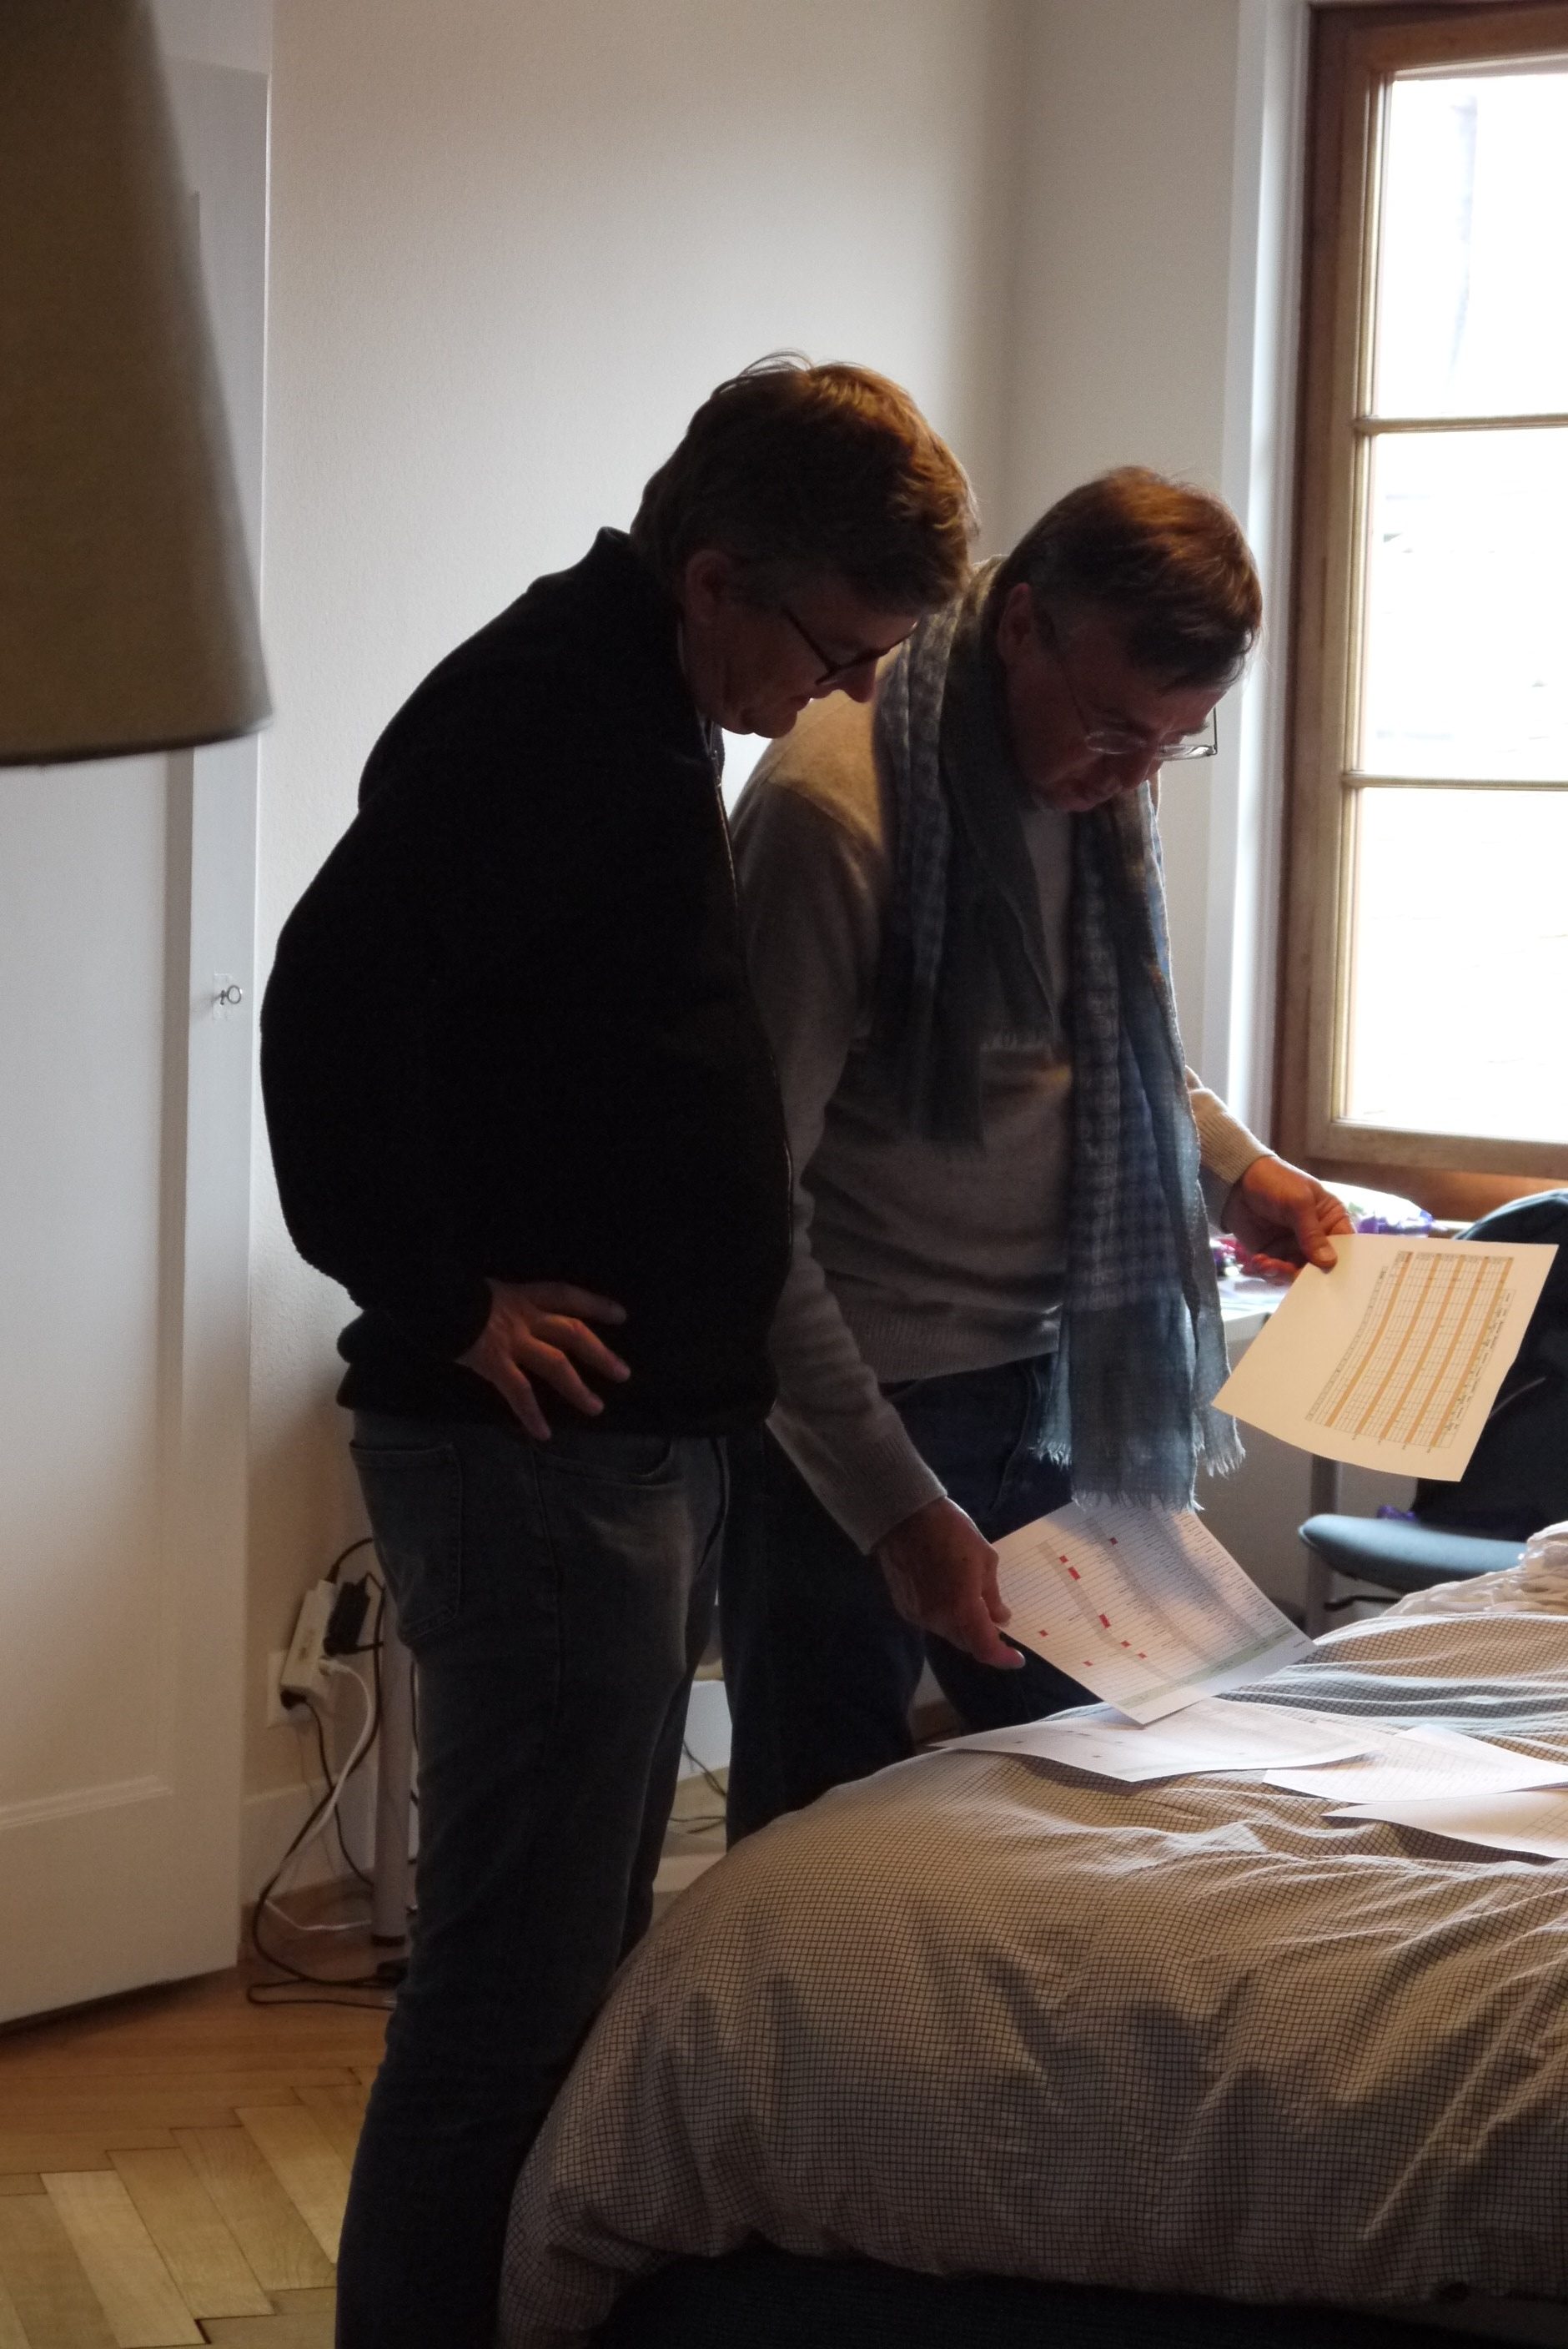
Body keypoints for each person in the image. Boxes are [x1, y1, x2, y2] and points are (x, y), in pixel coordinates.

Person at [259, 356, 975, 2349]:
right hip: (537, 1465)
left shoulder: (635, 704)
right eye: (834, 652)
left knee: (567, 1975)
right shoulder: (543, 718)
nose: (839, 697)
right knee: (507, 2002)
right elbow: (321, 1008)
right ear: (717, 576)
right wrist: (440, 1296)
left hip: (623, 1458)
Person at [721, 465, 1352, 1843]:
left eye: (1175, 744)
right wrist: (895, 1504)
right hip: (860, 1409)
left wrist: (1244, 1172)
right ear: (1021, 627)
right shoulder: (835, 810)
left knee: (1120, 1799)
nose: (1132, 777)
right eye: (1117, 729)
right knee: (818, 1833)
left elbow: (1113, 1045)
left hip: (1053, 1386)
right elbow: (743, 1205)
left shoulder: (1098, 780)